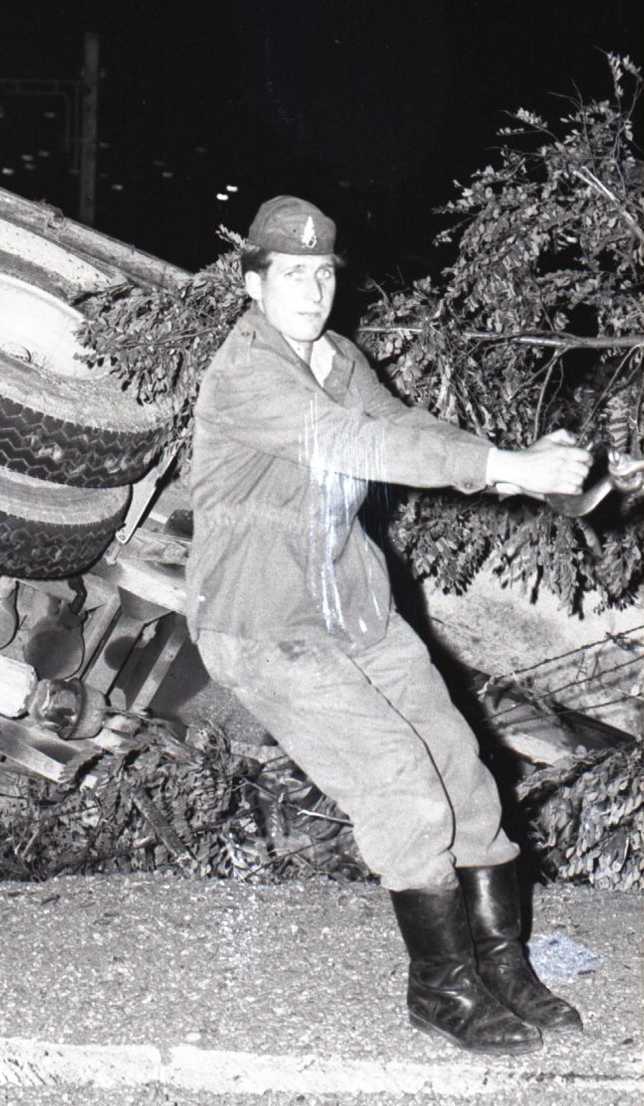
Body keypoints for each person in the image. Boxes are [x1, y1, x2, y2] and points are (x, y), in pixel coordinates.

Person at [187, 195, 593, 1054]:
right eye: (291, 274)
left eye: (323, 274)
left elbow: (403, 426)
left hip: (354, 608)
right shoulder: (246, 373)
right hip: (266, 623)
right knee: (402, 783)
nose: (311, 291)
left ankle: (501, 963)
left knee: (462, 772)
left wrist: (510, 473)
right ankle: (440, 987)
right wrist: (505, 463)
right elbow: (356, 445)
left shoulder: (338, 359)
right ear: (254, 284)